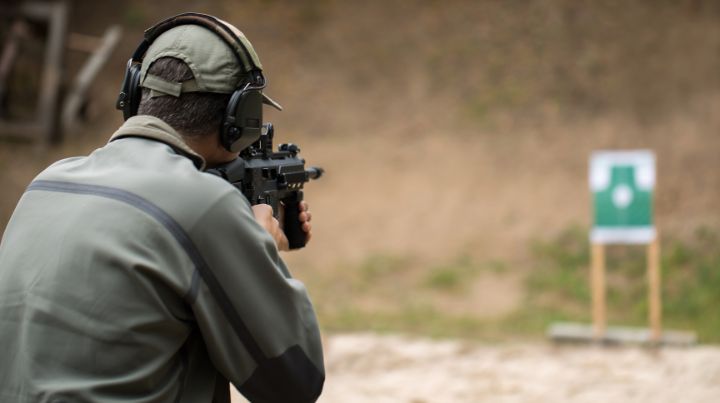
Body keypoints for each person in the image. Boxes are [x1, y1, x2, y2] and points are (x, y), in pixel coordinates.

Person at [0, 13, 324, 403]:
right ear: (240, 117)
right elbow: (296, 381)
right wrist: (259, 247)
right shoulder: (204, 203)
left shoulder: (47, 182)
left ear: (136, 93)